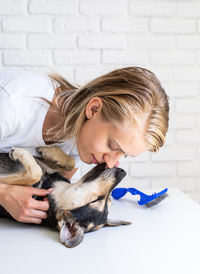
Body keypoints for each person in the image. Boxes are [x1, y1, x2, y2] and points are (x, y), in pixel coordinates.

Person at [0, 66, 169, 225]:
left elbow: (54, 188)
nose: (110, 164)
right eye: (112, 145)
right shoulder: (12, 105)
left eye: (123, 155)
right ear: (94, 109)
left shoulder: (82, 139)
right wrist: (4, 194)